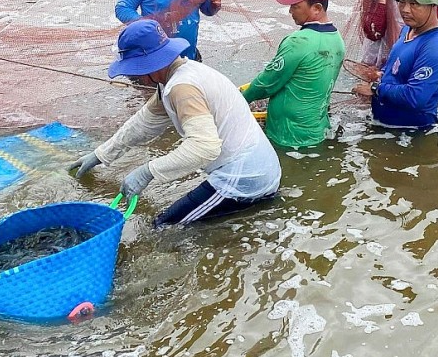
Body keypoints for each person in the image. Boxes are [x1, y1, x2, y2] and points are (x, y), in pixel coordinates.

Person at [70, 19, 281, 226]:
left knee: (163, 225)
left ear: (151, 64)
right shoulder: (174, 78)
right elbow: (143, 124)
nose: (131, 76)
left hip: (244, 178)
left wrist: (146, 172)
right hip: (250, 168)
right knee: (171, 220)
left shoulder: (183, 87)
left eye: (134, 69)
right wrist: (100, 155)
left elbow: (204, 147)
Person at [241, 0, 345, 148]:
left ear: (317, 8)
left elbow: (267, 83)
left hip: (288, 134)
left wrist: (240, 99)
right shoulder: (337, 40)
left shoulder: (298, 41)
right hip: (316, 129)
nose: (290, 11)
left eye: (295, 6)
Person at [352, 0, 438, 128]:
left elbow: (415, 97)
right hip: (385, 127)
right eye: (402, 2)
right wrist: (380, 74)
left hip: (411, 135)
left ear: (433, 4)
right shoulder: (408, 29)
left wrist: (375, 88)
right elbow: (396, 67)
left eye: (414, 3)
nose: (405, 10)